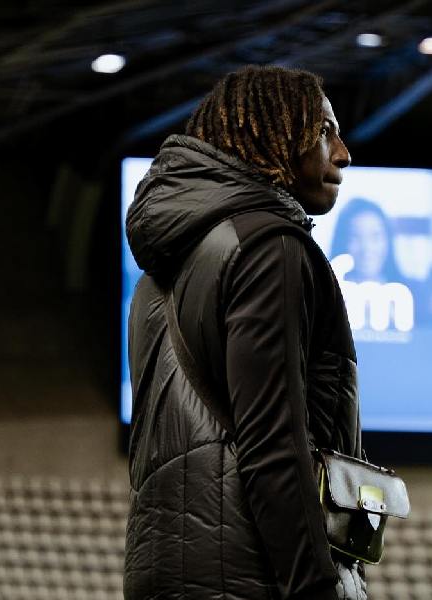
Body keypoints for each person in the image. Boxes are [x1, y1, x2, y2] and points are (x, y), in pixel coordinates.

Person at [124, 65, 365, 599]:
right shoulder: (269, 249)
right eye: (325, 131)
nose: (343, 154)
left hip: (163, 571)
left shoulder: (158, 272)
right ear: (273, 133)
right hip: (250, 575)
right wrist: (315, 587)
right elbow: (273, 443)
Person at [329, 198, 403, 283]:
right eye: (355, 237)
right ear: (342, 241)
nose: (366, 248)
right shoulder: (325, 287)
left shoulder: (408, 288)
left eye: (375, 236)